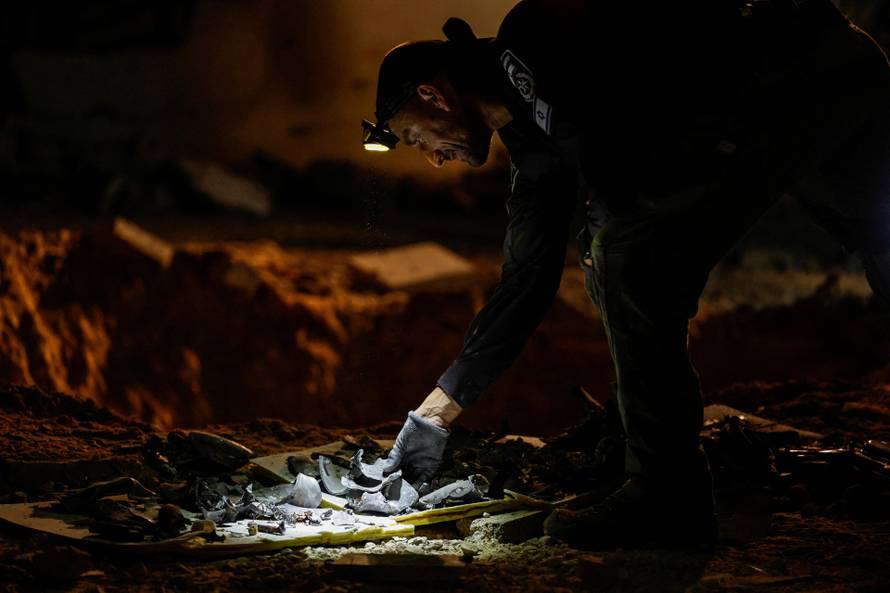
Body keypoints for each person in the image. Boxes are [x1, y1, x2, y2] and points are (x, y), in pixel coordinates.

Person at [362, 0, 890, 548]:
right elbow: (526, 279)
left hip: (810, 72)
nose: (431, 158)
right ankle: (641, 461)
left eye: (416, 137)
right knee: (620, 256)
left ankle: (665, 496)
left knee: (626, 258)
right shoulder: (529, 134)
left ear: (433, 96)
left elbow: (626, 167)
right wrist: (436, 413)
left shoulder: (533, 46)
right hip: (809, 84)